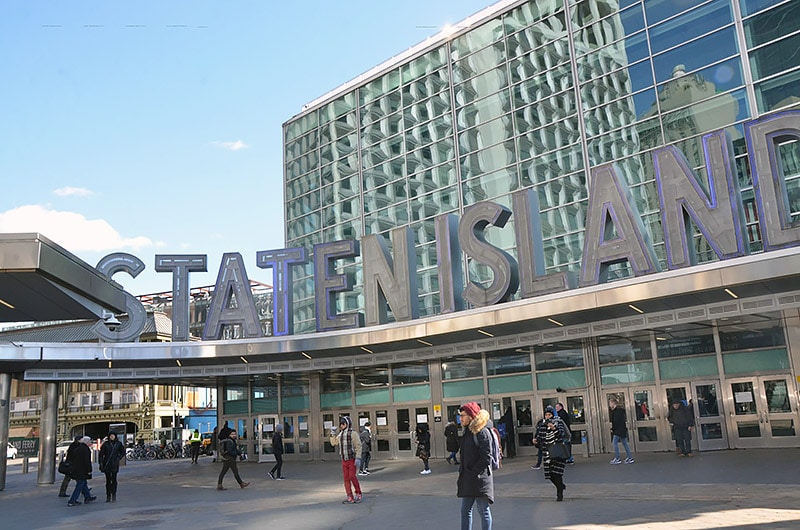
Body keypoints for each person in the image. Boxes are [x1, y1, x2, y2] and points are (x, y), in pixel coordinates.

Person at [456, 401, 494, 530]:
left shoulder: (481, 432)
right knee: (465, 510)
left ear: (471, 416)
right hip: (469, 478)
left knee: (483, 511)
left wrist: (473, 472)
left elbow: (486, 457)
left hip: (479, 479)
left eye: (463, 415)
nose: (460, 418)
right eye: (460, 415)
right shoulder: (467, 432)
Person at [536, 406, 569, 501]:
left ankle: (560, 494)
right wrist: (536, 442)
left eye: (549, 414)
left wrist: (554, 429)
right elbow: (540, 438)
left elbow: (561, 435)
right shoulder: (542, 425)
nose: (547, 417)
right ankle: (561, 486)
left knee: (557, 474)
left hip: (558, 452)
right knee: (550, 475)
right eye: (546, 415)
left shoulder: (558, 423)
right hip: (547, 454)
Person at [329, 416, 363, 504]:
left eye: (343, 423)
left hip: (352, 459)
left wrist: (358, 458)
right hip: (344, 460)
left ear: (347, 424)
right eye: (341, 424)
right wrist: (332, 433)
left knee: (352, 476)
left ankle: (358, 493)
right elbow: (334, 443)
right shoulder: (340, 434)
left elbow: (358, 446)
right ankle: (349, 496)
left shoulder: (353, 433)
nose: (341, 425)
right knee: (346, 478)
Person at [67, 436, 97, 507]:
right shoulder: (86, 450)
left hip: (76, 469)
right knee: (80, 485)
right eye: (89, 441)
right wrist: (89, 470)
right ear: (87, 442)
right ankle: (72, 500)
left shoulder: (78, 448)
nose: (90, 443)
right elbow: (87, 461)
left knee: (83, 484)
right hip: (82, 470)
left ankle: (87, 497)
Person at [98, 431, 125, 502]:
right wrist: (101, 463)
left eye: (113, 436)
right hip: (107, 463)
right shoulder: (106, 444)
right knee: (108, 481)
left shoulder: (118, 444)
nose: (112, 437)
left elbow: (122, 452)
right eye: (111, 436)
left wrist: (118, 458)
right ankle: (108, 495)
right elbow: (101, 454)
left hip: (114, 464)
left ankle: (114, 494)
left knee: (114, 480)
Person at [609, 398, 634, 464]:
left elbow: (616, 422)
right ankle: (630, 457)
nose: (609, 405)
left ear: (613, 404)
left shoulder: (616, 412)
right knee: (625, 443)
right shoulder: (620, 411)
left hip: (618, 430)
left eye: (610, 403)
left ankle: (617, 458)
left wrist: (613, 429)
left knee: (615, 443)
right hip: (622, 429)